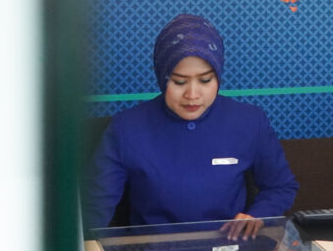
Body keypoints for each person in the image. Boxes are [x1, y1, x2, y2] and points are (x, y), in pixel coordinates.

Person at [87, 14, 300, 239]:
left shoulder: (249, 121)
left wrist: (258, 215)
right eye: (179, 82)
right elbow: (94, 207)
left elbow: (281, 186)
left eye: (205, 80)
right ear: (162, 77)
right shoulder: (125, 128)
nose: (192, 94)